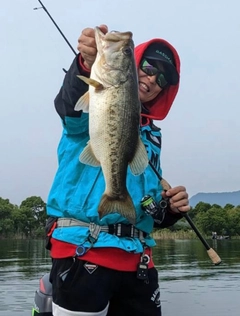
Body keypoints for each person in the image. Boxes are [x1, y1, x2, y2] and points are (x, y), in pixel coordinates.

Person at [46, 24, 190, 316]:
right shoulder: (92, 101)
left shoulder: (151, 137)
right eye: (149, 67)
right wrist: (85, 64)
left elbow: (146, 204)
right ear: (133, 63)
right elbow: (69, 108)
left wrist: (168, 210)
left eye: (163, 77)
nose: (153, 79)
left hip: (138, 265)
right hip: (83, 253)